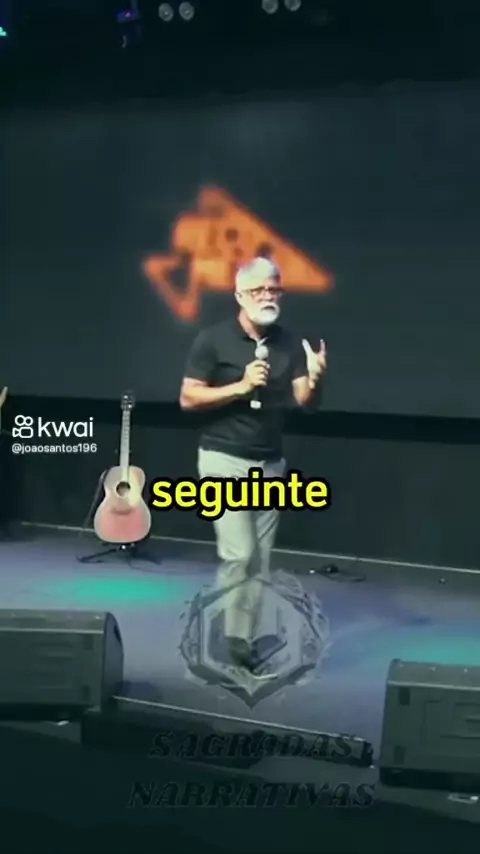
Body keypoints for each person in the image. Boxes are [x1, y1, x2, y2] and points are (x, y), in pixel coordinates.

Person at [179, 257, 327, 672]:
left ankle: (239, 638)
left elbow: (305, 402)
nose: (267, 296)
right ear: (240, 295)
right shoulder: (213, 340)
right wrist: (241, 386)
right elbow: (188, 397)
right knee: (239, 554)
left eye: (273, 288)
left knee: (259, 562)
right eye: (258, 289)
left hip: (269, 464)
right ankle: (225, 636)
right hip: (223, 458)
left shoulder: (289, 343)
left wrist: (316, 379)